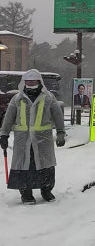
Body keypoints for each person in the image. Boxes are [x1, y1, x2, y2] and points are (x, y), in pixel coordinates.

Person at [0, 69, 66, 205]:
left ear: (39, 81)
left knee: (45, 167)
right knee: (24, 167)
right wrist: (4, 134)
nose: (30, 83)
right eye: (28, 81)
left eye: (33, 81)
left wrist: (60, 133)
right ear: (24, 82)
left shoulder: (48, 98)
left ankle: (46, 190)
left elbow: (57, 116)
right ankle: (26, 194)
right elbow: (8, 118)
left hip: (43, 141)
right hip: (22, 141)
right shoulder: (17, 99)